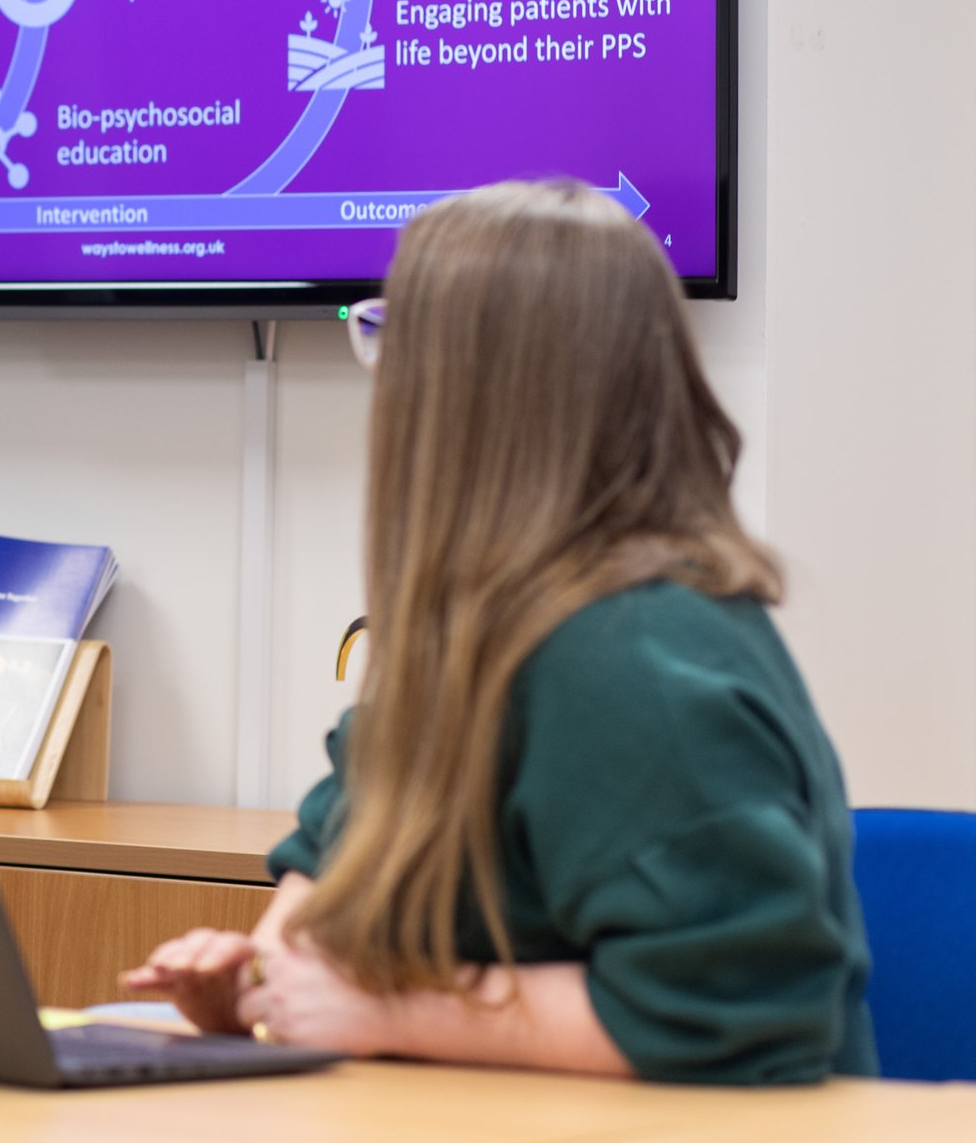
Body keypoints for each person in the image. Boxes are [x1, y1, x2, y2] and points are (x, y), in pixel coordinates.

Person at [125, 179, 875, 1083]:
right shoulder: (472, 630)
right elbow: (329, 863)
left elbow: (748, 1012)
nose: (380, 368)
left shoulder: (633, 655)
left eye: (389, 330)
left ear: (476, 389)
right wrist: (250, 988)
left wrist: (397, 1009)